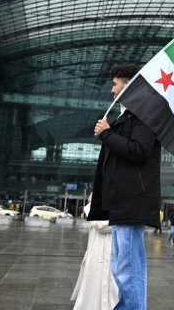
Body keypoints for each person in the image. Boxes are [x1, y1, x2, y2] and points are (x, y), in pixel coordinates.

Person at [87, 64, 161, 310]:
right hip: (121, 202)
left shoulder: (143, 115)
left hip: (132, 201)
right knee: (121, 266)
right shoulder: (125, 117)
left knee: (129, 268)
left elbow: (139, 151)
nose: (111, 90)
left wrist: (107, 134)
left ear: (129, 86)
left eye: (115, 84)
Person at [71, 194, 119, 309]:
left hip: (105, 252)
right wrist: (123, 221)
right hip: (99, 253)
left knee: (105, 287)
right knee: (96, 287)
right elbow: (100, 225)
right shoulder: (95, 210)